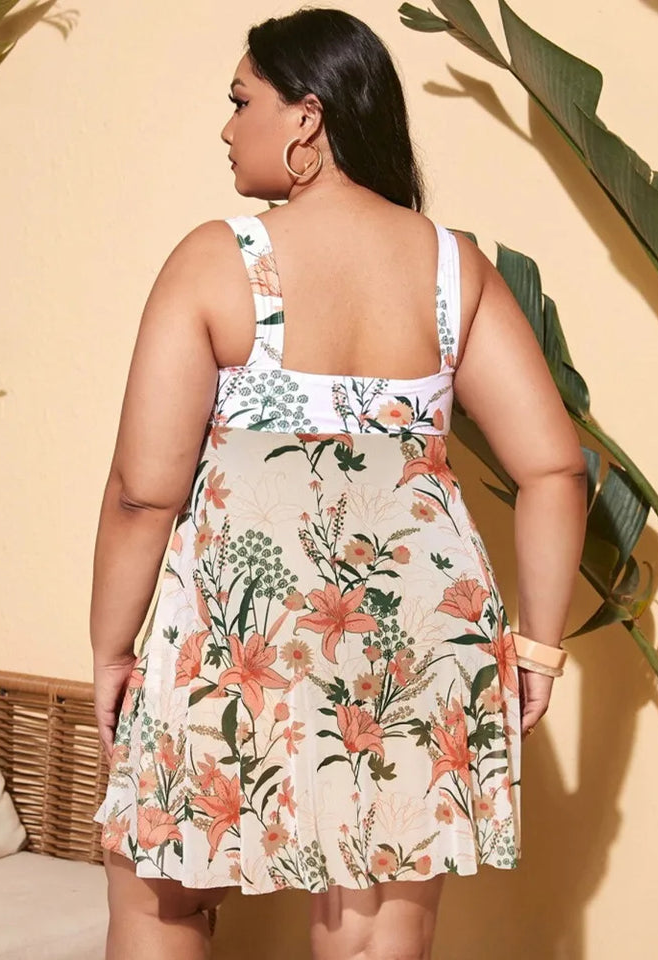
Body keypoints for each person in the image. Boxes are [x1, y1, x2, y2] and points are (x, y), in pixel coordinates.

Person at [90, 7, 588, 960]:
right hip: (417, 636)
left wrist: (113, 648)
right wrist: (538, 647)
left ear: (307, 117)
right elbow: (555, 468)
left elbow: (142, 493)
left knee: (163, 898)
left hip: (242, 632)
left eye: (242, 101)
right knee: (373, 933)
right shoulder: (452, 269)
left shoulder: (218, 260)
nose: (227, 126)